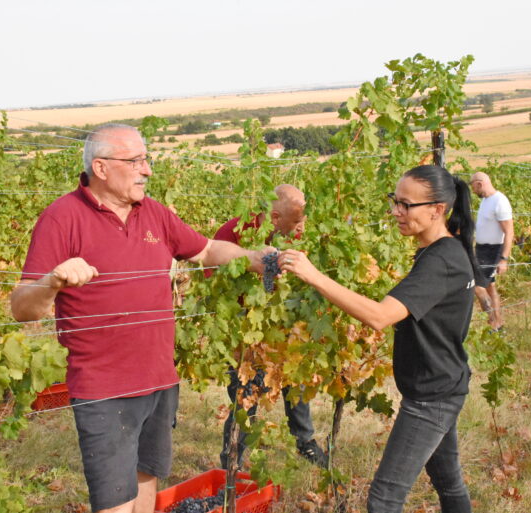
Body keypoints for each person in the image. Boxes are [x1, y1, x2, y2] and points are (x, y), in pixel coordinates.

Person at [10, 123, 271, 513]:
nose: (146, 170)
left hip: (160, 380)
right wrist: (52, 282)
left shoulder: (154, 213)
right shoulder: (61, 218)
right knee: (115, 502)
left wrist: (257, 260)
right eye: (135, 161)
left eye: (146, 160)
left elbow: (206, 251)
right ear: (100, 168)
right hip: (104, 389)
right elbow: (21, 308)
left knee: (147, 480)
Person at [279, 165, 477, 513]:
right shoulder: (446, 250)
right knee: (449, 484)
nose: (396, 212)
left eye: (406, 205)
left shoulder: (441, 261)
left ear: (437, 209)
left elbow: (379, 316)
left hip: (432, 397)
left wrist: (314, 276)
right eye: (394, 201)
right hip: (443, 385)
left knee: (384, 500)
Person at [212, 184, 327, 470]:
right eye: (296, 221)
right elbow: (214, 283)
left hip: (284, 316)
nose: (301, 227)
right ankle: (233, 461)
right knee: (247, 390)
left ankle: (304, 441)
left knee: (295, 377)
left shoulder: (296, 234)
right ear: (275, 218)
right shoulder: (231, 234)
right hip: (243, 323)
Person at [468, 171, 513, 330]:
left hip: (492, 252)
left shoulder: (499, 201)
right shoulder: (487, 200)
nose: (473, 191)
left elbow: (509, 232)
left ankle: (493, 323)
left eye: (473, 187)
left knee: (475, 286)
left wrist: (503, 259)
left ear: (479, 184)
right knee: (490, 287)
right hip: (481, 250)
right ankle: (498, 323)